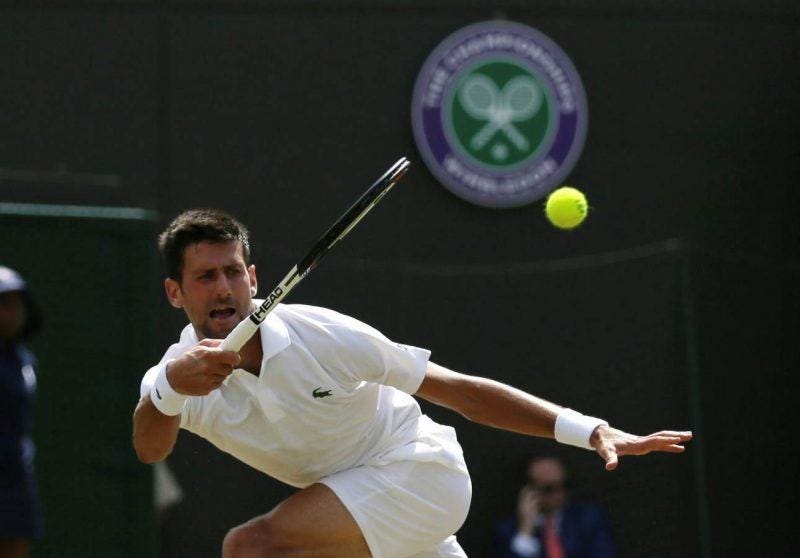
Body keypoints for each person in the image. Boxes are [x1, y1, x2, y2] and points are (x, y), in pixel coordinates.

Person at [132, 208, 692, 558]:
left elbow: (461, 392)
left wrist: (589, 430)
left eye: (234, 271)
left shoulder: (326, 336)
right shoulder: (176, 376)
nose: (224, 287)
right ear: (175, 294)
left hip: (419, 473)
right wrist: (171, 389)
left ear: (254, 278)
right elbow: (149, 447)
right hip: (362, 512)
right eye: (205, 277)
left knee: (251, 549)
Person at [0, 266, 43, 558]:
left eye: (17, 303)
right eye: (4, 304)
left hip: (16, 481)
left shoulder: (25, 362)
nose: (13, 312)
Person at [492, 457, 616, 558]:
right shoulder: (507, 530)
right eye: (549, 488)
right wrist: (525, 532)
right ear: (529, 491)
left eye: (564, 485)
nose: (559, 494)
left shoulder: (587, 518)